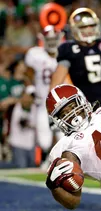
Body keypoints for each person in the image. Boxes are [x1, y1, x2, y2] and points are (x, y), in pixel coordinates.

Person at [49, 8, 101, 211]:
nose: (88, 30)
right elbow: (57, 81)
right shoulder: (68, 49)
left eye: (91, 25)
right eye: (83, 27)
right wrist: (54, 110)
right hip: (81, 112)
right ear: (74, 29)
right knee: (97, 153)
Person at [24, 25, 64, 156]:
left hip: (62, 104)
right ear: (43, 39)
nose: (52, 42)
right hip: (43, 103)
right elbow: (28, 73)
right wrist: (31, 90)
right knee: (44, 142)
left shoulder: (65, 54)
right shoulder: (36, 54)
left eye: (54, 39)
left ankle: (56, 160)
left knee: (63, 138)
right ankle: (47, 157)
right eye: (49, 39)